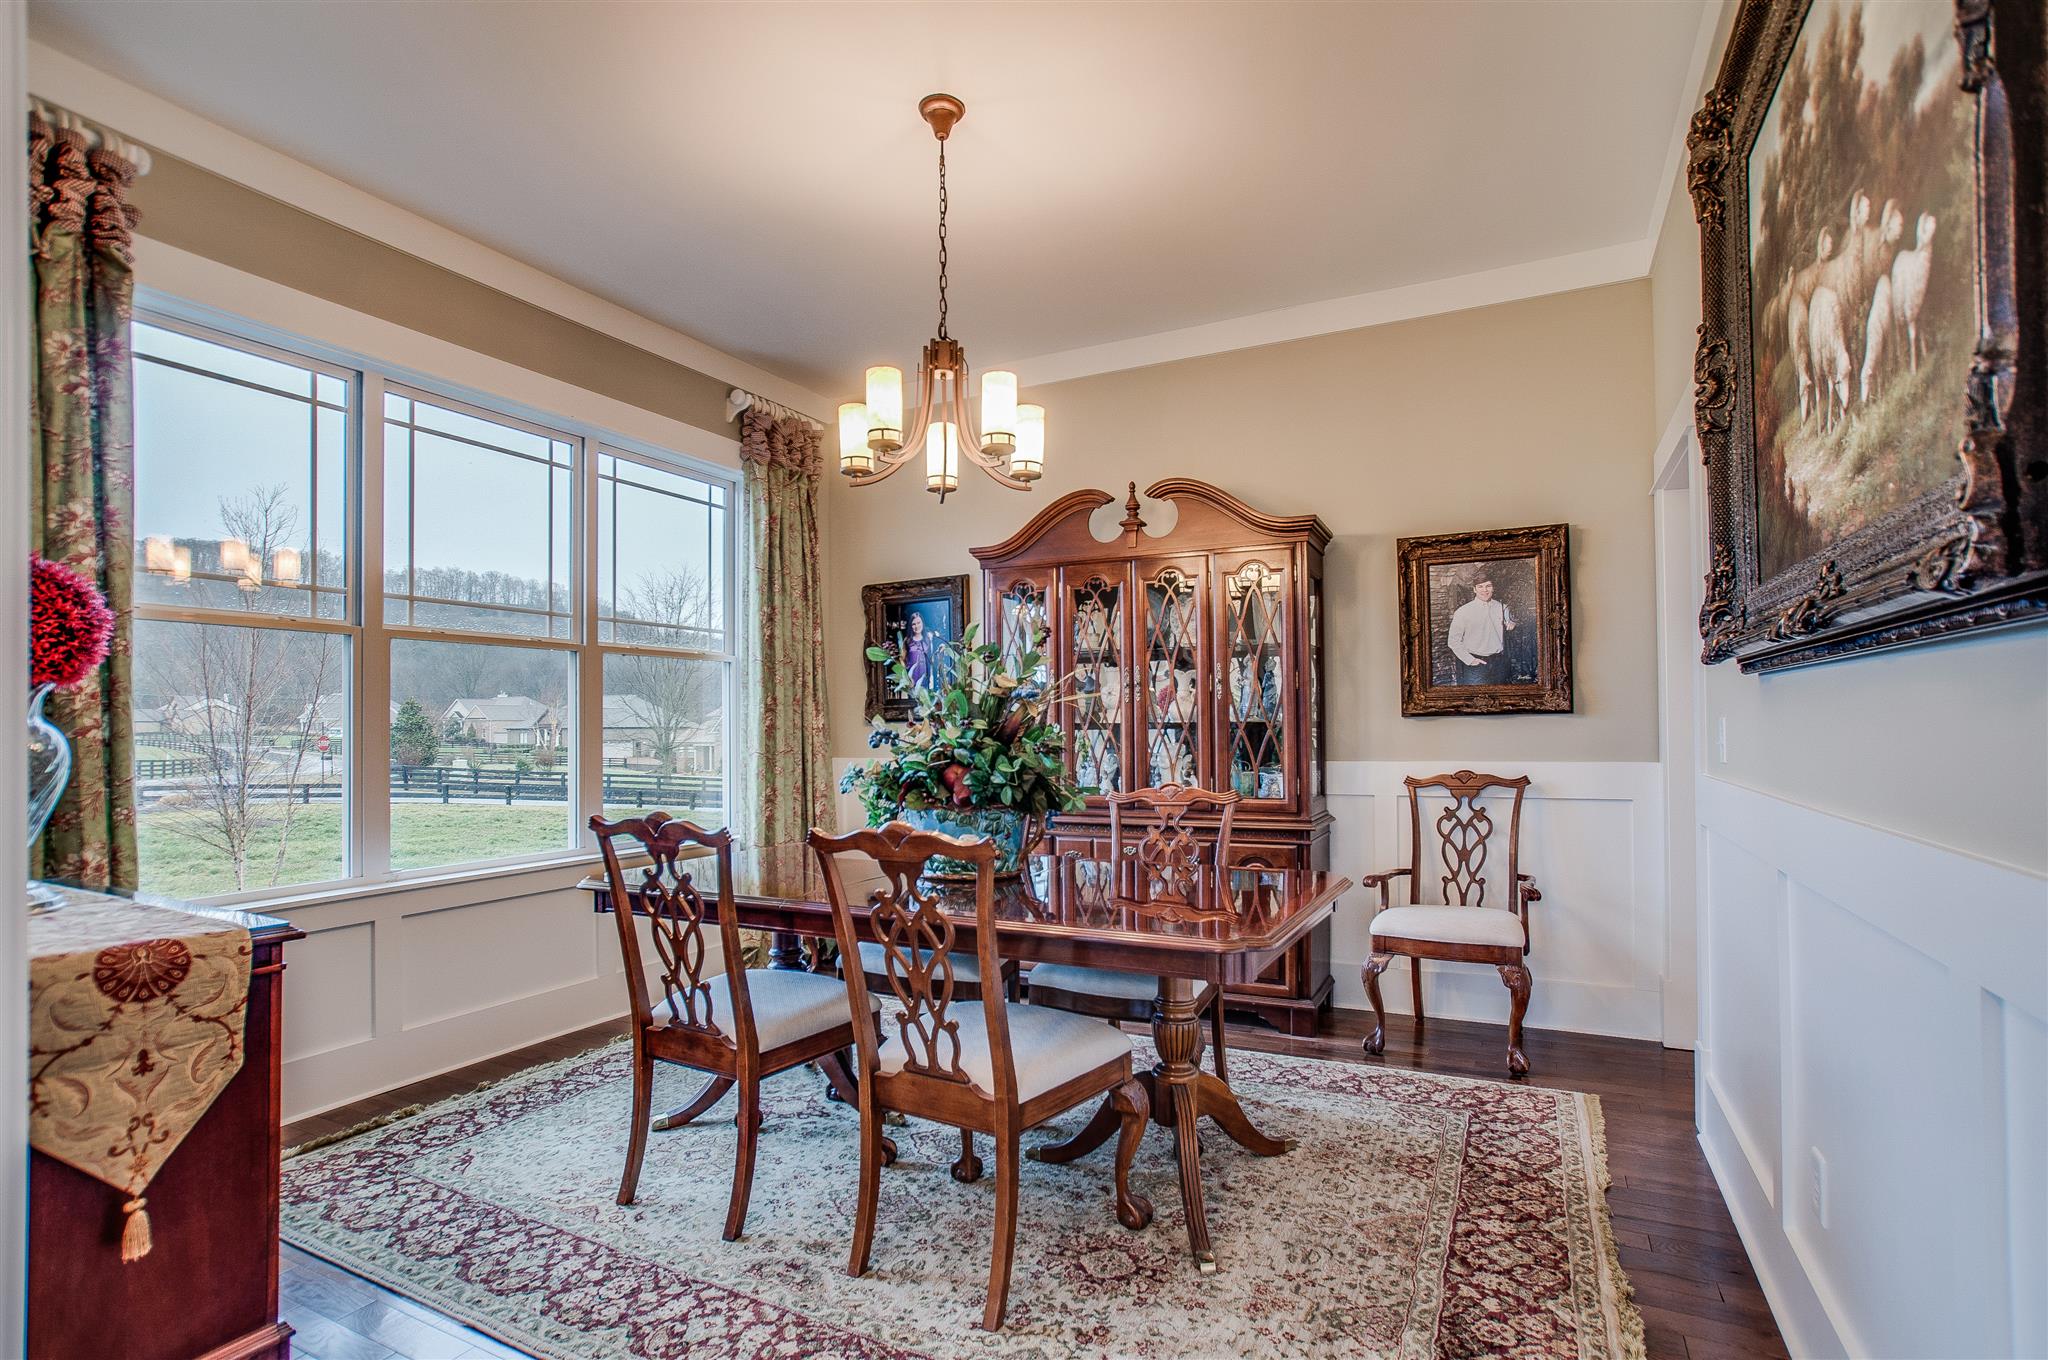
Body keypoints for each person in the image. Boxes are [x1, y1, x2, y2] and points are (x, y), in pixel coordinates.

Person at [1446, 576, 1515, 685]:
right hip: (1476, 666)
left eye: (1488, 586)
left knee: (1501, 698)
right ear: (1474, 589)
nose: (1485, 590)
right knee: (1475, 699)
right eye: (1480, 586)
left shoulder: (1502, 607)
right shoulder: (1463, 611)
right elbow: (1453, 641)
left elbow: (1512, 624)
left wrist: (1513, 624)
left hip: (1499, 663)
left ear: (1493, 588)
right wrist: (1470, 660)